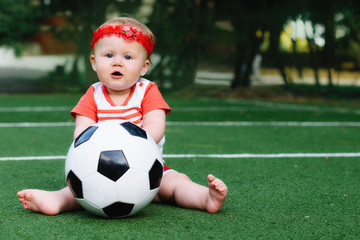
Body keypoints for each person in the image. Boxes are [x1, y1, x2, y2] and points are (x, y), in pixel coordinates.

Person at [17, 17, 228, 215]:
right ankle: (57, 200)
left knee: (177, 183)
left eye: (127, 57)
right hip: (101, 170)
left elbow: (156, 124)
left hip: (149, 171)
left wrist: (137, 145)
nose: (117, 62)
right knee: (80, 187)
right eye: (108, 55)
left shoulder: (147, 91)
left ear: (144, 66)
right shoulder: (93, 94)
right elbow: (82, 132)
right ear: (93, 62)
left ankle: (205, 198)